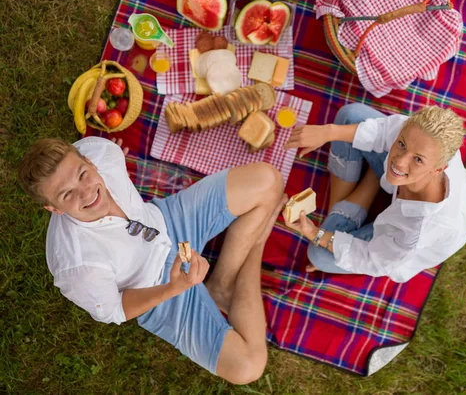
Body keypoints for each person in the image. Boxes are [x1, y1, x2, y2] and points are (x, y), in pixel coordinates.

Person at [17, 136, 287, 385]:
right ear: (52, 208)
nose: (86, 193)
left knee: (268, 179)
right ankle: (257, 245)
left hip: (170, 221)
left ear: (90, 162)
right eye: (67, 195)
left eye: (83, 174)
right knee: (247, 367)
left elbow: (90, 164)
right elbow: (114, 311)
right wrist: (174, 288)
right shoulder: (77, 267)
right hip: (158, 287)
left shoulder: (103, 153)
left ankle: (221, 285)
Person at [283, 103, 466, 282]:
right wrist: (327, 132)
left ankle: (368, 184)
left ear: (438, 169)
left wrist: (315, 233)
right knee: (350, 116)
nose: (400, 161)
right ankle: (371, 182)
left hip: (393, 243)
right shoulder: (422, 135)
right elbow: (384, 131)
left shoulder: (418, 230)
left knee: (319, 255)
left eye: (418, 159)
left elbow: (372, 259)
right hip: (399, 182)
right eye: (401, 144)